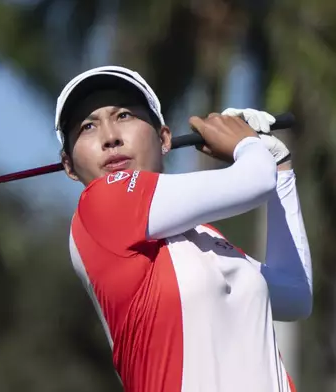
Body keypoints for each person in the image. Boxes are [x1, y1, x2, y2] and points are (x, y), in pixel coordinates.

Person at [55, 65, 312, 392]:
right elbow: (254, 181)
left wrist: (280, 166)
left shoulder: (205, 237)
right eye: (88, 126)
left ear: (164, 138)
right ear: (68, 165)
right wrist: (247, 146)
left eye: (123, 116)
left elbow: (295, 295)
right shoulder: (101, 205)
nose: (110, 137)